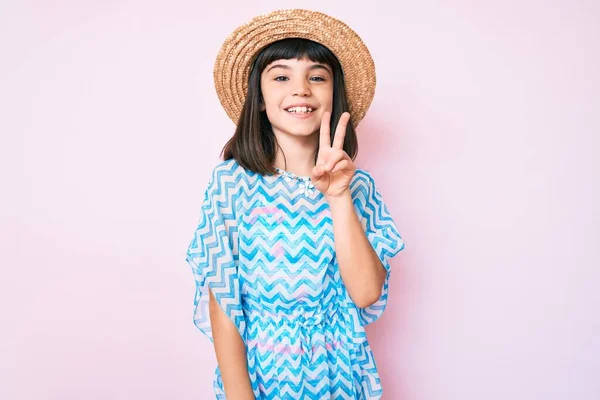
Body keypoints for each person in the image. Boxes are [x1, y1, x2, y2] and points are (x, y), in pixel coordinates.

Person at [185, 9, 406, 399]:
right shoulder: (231, 184)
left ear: (334, 97)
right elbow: (223, 299)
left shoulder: (358, 188)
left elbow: (367, 293)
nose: (301, 89)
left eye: (317, 77)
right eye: (282, 76)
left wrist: (338, 195)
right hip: (262, 373)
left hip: (339, 370)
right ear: (259, 99)